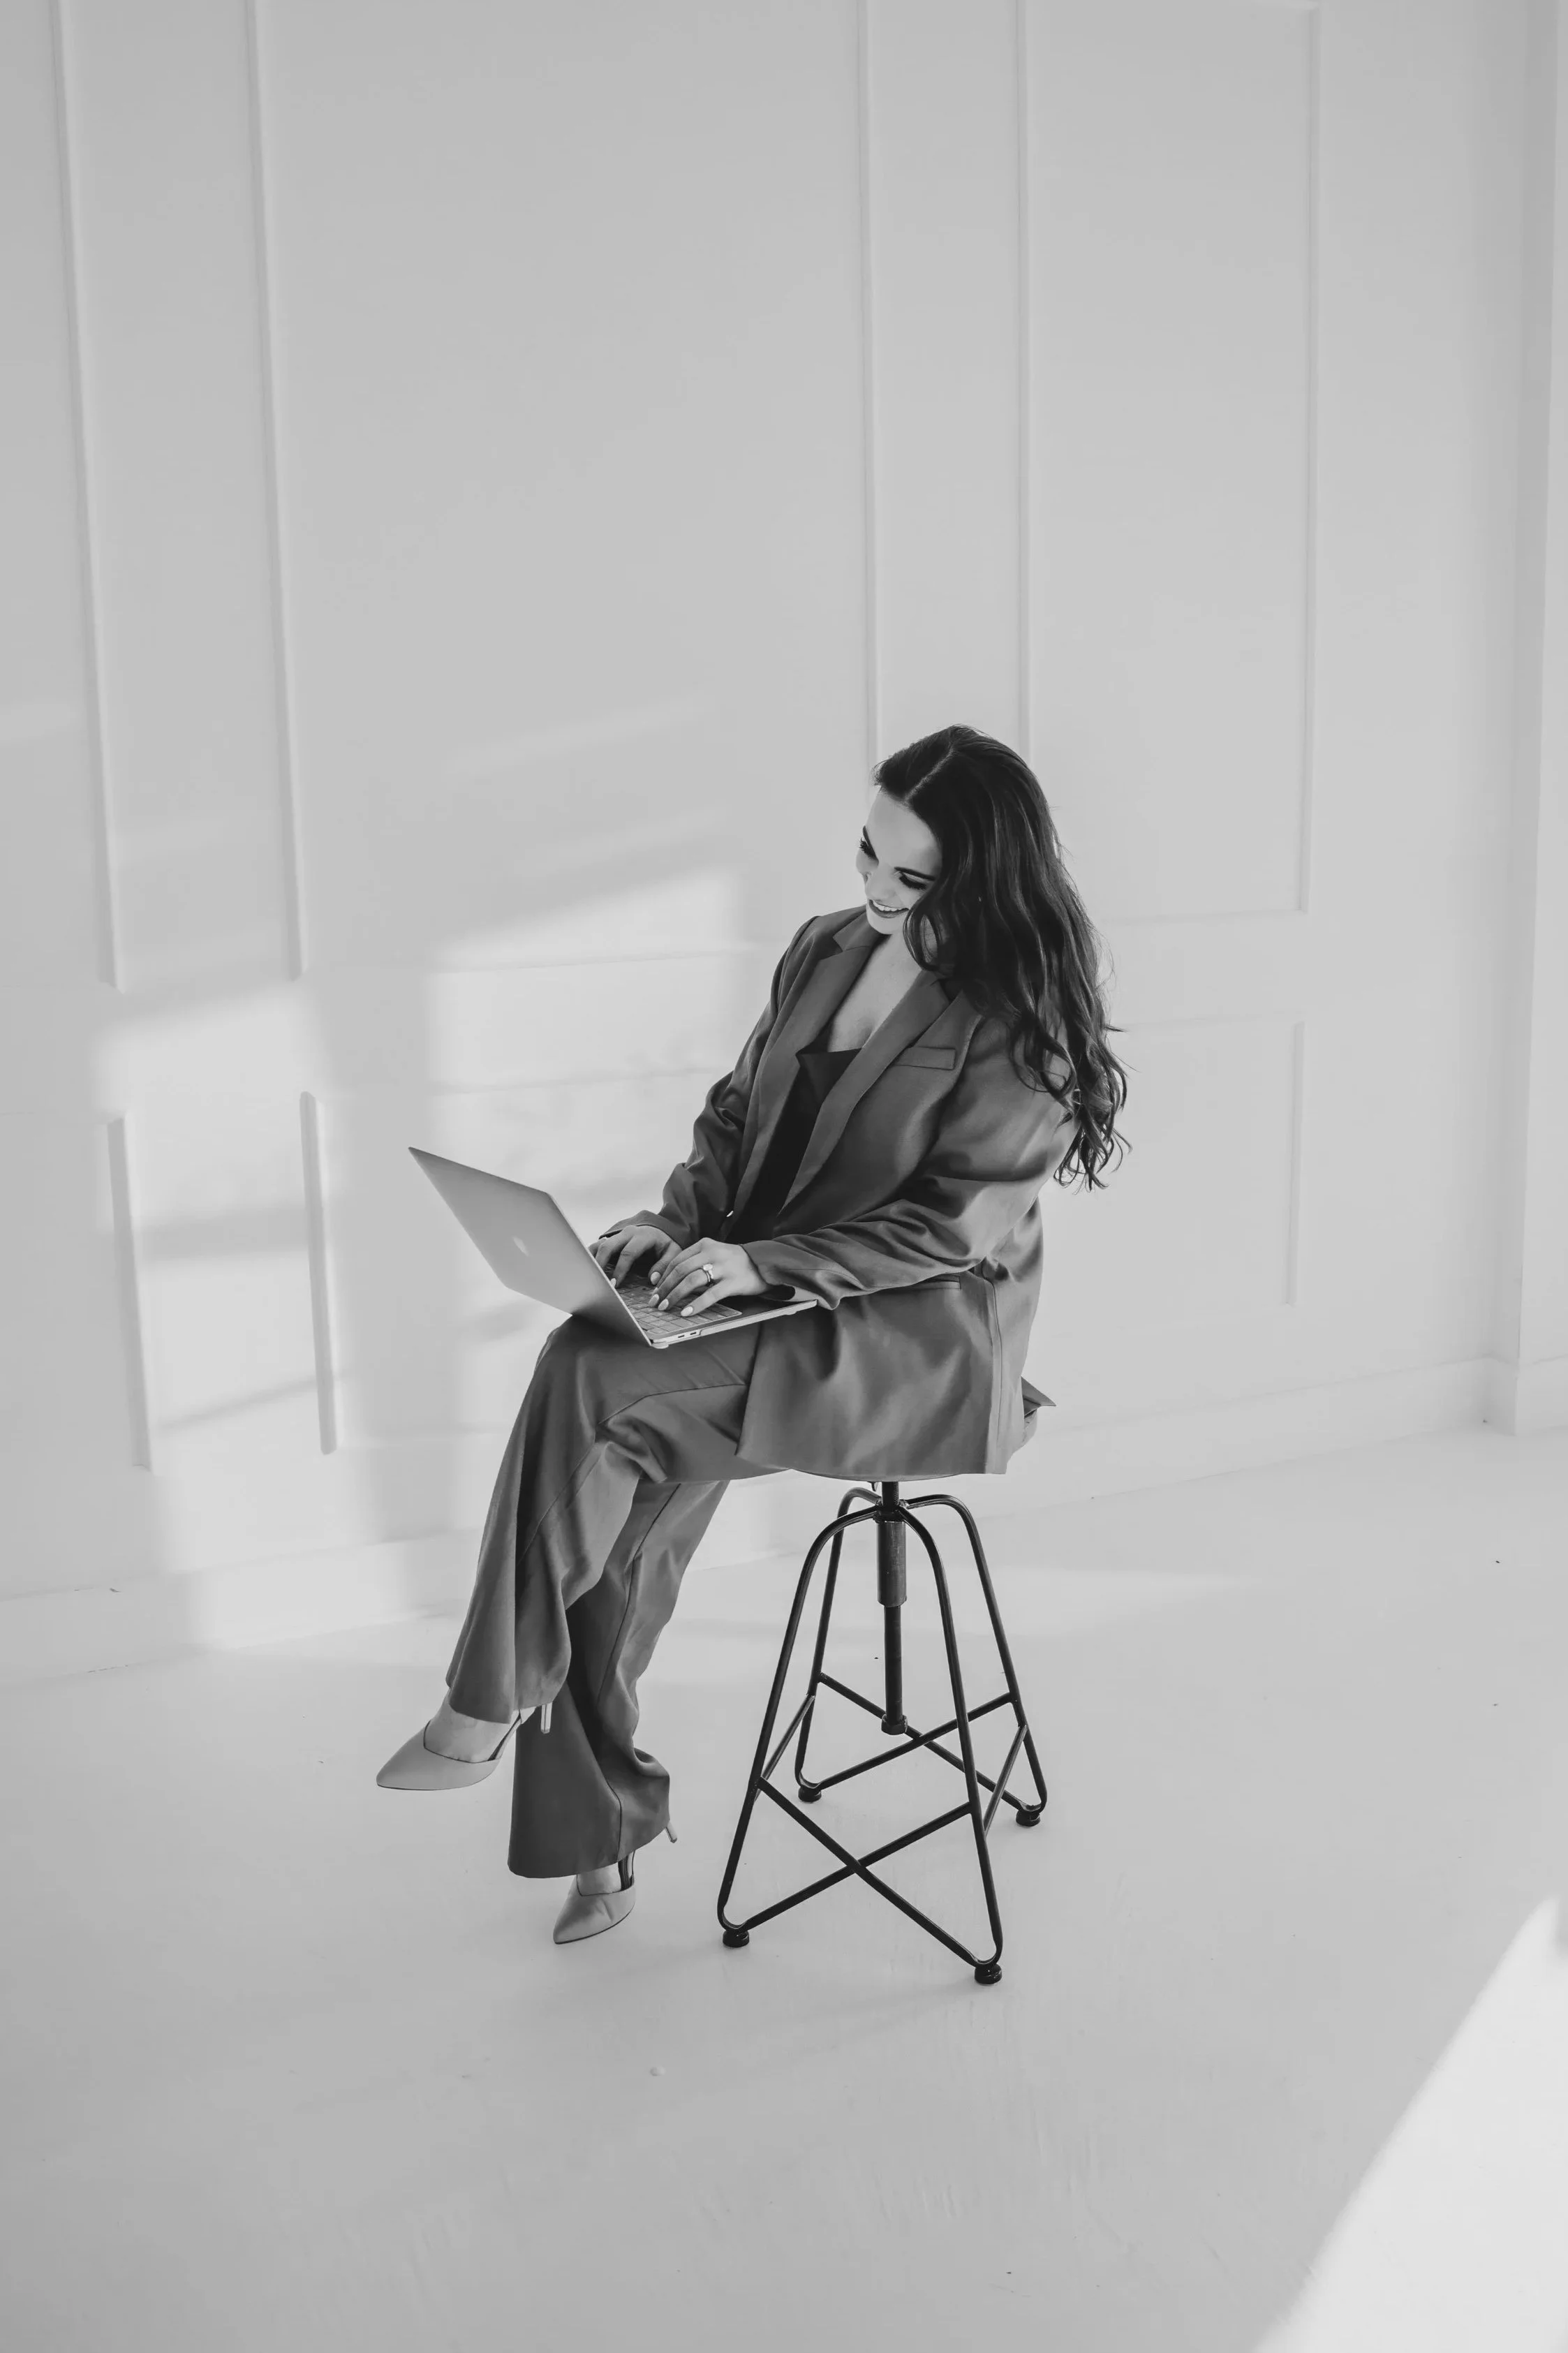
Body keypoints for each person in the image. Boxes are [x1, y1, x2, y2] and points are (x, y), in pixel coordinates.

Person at [376, 724, 1127, 1944]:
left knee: (591, 1379)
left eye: (911, 877)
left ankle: (486, 1704)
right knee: (598, 1499)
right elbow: (735, 1118)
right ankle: (596, 1836)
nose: (876, 891)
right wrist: (666, 1233)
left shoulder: (1018, 1021)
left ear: (984, 880)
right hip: (757, 1296)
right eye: (867, 855)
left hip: (905, 1339)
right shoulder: (825, 949)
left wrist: (762, 1264)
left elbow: (949, 1228)